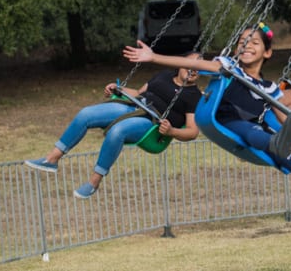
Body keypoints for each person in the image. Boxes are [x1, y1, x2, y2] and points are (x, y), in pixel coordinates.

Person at [123, 23, 291, 197]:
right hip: (229, 121)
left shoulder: (269, 88)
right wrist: (153, 57)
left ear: (267, 52)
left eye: (254, 43)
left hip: (262, 133)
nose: (247, 46)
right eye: (242, 43)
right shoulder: (228, 67)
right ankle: (275, 143)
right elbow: (193, 63)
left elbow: (287, 118)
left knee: (287, 155)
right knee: (252, 131)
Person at [25, 52, 203, 199]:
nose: (193, 70)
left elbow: (192, 132)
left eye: (198, 68)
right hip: (134, 105)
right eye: (189, 64)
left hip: (152, 125)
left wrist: (171, 131)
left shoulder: (194, 96)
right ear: (180, 64)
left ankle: (94, 182)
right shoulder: (163, 75)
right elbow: (139, 93)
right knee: (86, 114)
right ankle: (52, 159)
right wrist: (118, 89)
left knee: (118, 131)